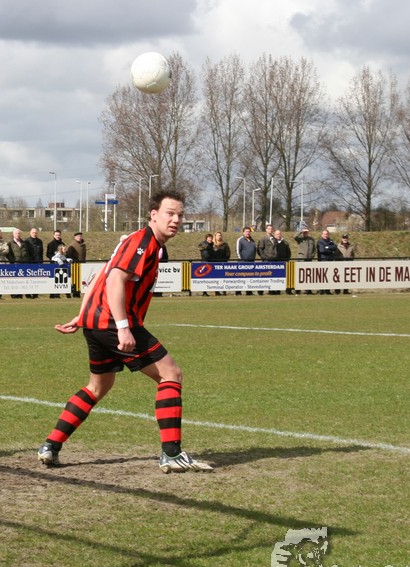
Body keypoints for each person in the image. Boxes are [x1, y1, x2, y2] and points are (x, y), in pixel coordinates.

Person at [37, 189, 213, 474]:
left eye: (180, 215)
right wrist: (123, 328)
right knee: (171, 374)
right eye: (170, 214)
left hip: (96, 323)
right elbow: (115, 279)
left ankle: (50, 445)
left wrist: (83, 316)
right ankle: (172, 453)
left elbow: (102, 275)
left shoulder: (145, 243)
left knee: (98, 387)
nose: (176, 220)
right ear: (153, 215)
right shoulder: (143, 242)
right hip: (113, 323)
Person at [316, 229, 339, 295]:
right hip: (323, 261)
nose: (325, 235)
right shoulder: (320, 241)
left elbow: (335, 247)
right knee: (322, 276)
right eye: (324, 234)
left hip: (330, 260)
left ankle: (328, 290)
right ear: (322, 235)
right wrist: (330, 249)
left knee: (329, 276)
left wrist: (327, 247)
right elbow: (322, 250)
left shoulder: (331, 241)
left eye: (326, 234)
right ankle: (322, 290)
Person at [235, 226, 256, 296]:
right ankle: (238, 292)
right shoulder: (240, 240)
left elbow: (254, 250)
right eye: (246, 231)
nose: (248, 233)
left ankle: (249, 291)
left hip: (251, 262)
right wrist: (241, 260)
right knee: (240, 278)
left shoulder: (252, 240)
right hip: (243, 262)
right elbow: (238, 251)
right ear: (243, 232)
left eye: (249, 231)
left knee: (249, 278)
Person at [294, 228, 316, 294]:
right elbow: (294, 237)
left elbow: (314, 249)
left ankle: (308, 290)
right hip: (301, 259)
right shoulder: (300, 239)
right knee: (300, 275)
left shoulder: (311, 239)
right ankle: (297, 290)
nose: (305, 233)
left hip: (309, 259)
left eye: (306, 232)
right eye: (304, 232)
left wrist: (312, 256)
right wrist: (300, 231)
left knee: (308, 276)